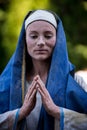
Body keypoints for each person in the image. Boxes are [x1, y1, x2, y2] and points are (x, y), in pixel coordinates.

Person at [0, 9, 87, 130]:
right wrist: (20, 113)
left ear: (58, 39)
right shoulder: (5, 84)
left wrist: (57, 112)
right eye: (34, 36)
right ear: (25, 40)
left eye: (48, 36)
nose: (40, 42)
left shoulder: (76, 82)